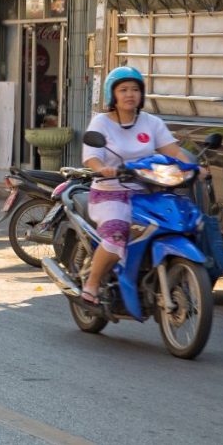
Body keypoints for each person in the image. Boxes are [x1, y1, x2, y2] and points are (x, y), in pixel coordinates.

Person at [80, 66, 190, 305]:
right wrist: (102, 168)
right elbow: (92, 156)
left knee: (182, 223)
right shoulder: (101, 122)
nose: (130, 94)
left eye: (135, 89)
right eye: (123, 90)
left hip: (147, 192)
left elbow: (173, 150)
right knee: (117, 233)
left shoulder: (151, 122)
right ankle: (92, 284)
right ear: (113, 95)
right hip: (110, 193)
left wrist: (195, 168)